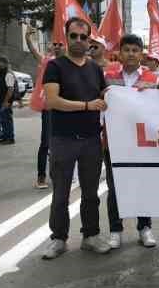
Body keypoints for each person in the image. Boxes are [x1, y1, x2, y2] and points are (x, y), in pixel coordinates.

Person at [42, 17, 111, 260]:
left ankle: (90, 236)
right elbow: (52, 101)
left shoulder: (95, 68)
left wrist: (132, 94)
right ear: (66, 36)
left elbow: (105, 93)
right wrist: (86, 105)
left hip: (92, 139)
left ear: (89, 39)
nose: (79, 41)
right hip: (63, 139)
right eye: (74, 36)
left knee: (91, 193)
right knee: (60, 192)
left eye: (83, 37)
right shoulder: (55, 66)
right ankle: (58, 239)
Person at [104, 34, 159, 249]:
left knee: (143, 184)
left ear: (141, 54)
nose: (131, 54)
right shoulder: (107, 76)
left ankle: (145, 228)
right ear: (120, 53)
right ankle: (116, 230)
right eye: (127, 50)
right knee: (115, 187)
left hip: (143, 143)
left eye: (135, 50)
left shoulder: (153, 78)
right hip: (115, 142)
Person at [26, 27, 65, 190]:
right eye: (54, 43)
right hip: (49, 107)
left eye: (60, 44)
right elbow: (34, 51)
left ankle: (59, 176)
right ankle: (41, 177)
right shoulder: (46, 61)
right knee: (46, 143)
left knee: (62, 143)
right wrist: (28, 39)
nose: (56, 46)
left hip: (65, 108)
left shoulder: (70, 63)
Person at [0, 57, 16, 145]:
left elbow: (10, 89)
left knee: (7, 119)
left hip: (5, 101)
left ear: (6, 64)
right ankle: (5, 136)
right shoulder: (1, 74)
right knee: (3, 119)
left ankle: (10, 138)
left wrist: (6, 101)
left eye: (1, 63)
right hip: (1, 100)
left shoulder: (8, 74)